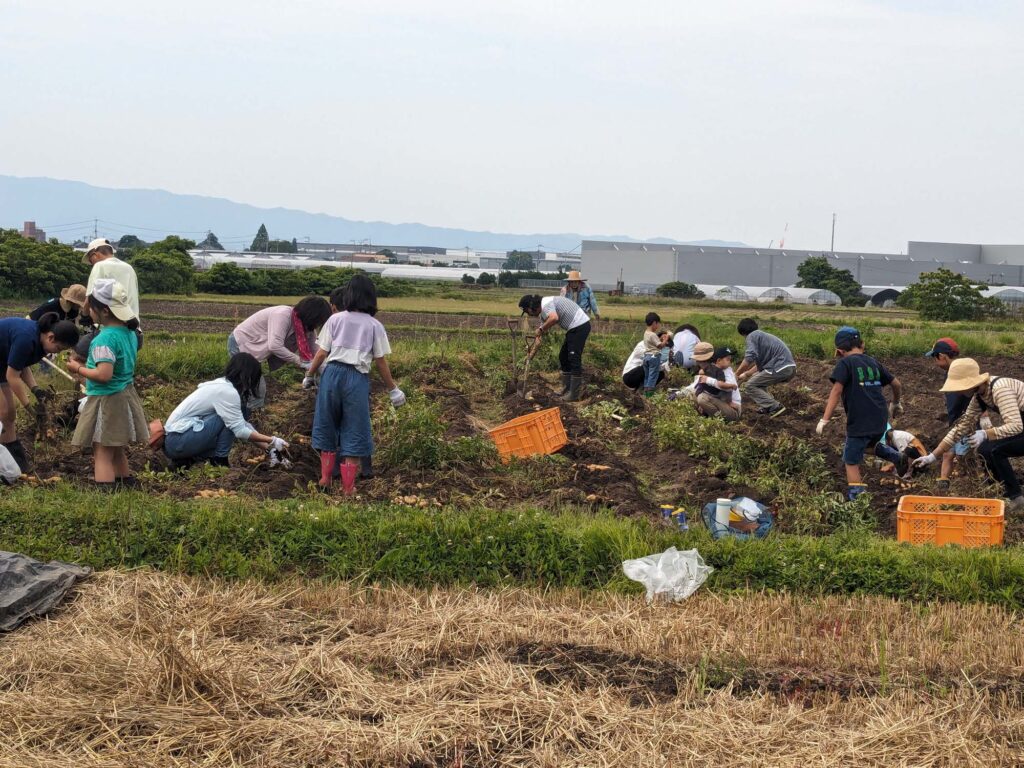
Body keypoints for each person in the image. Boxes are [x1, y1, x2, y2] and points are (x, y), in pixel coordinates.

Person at [305, 275, 406, 490]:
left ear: (348, 295)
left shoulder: (335, 319)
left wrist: (309, 375)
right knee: (355, 427)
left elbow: (322, 353)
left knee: (327, 422)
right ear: (372, 297)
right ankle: (348, 489)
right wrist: (393, 389)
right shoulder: (374, 326)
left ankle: (325, 479)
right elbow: (380, 361)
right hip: (356, 378)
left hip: (331, 374)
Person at [67, 279, 149, 491]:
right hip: (124, 394)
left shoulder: (104, 339)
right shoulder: (130, 333)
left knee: (101, 449)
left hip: (107, 399)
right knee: (116, 446)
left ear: (103, 311)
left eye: (91, 307)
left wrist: (77, 368)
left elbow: (103, 375)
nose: (88, 312)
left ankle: (105, 491)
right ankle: (125, 481)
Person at [913, 358, 1024, 511]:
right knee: (985, 449)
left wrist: (985, 433)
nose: (958, 392)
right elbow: (961, 427)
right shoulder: (979, 396)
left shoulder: (1000, 389)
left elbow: (1016, 426)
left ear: (971, 383)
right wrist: (933, 456)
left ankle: (1016, 498)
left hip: (1020, 426)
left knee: (993, 449)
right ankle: (1007, 492)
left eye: (959, 387)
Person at [816, 326, 903, 501]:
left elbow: (836, 391)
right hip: (880, 418)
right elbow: (897, 384)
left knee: (850, 459)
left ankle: (857, 499)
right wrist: (895, 403)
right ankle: (896, 457)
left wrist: (824, 419)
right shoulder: (873, 362)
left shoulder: (845, 364)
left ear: (840, 351)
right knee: (868, 445)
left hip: (860, 419)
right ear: (862, 344)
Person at [162, 353, 289, 470]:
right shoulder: (227, 392)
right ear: (246, 375)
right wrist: (271, 439)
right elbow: (239, 430)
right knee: (227, 421)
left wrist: (270, 449)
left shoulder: (223, 386)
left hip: (176, 441)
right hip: (177, 441)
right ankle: (219, 461)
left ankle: (186, 461)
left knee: (233, 420)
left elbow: (243, 424)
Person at [0, 314, 80, 472]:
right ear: (51, 337)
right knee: (3, 410)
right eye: (59, 348)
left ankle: (13, 458)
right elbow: (12, 376)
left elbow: (21, 364)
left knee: (9, 414)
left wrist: (35, 389)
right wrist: (29, 406)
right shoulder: (26, 338)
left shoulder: (41, 342)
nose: (58, 352)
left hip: (1, 362)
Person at [228, 295, 332, 408]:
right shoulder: (282, 315)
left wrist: (329, 372)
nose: (317, 325)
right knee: (256, 388)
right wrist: (302, 362)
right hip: (242, 344)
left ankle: (243, 413)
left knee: (248, 386)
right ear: (311, 316)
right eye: (318, 321)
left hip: (256, 351)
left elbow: (316, 353)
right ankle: (249, 418)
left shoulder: (306, 328)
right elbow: (274, 345)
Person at [925, 338, 984, 492]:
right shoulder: (952, 373)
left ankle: (975, 487)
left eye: (934, 357)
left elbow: (976, 398)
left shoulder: (957, 374)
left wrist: (982, 420)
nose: (934, 362)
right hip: (957, 422)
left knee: (966, 458)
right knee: (948, 454)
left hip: (965, 423)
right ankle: (942, 488)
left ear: (942, 356)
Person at [518, 293, 591, 402]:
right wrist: (530, 356)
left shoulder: (546, 304)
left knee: (573, 358)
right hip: (573, 328)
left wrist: (541, 329)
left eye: (527, 311)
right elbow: (538, 340)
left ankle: (574, 394)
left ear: (530, 307)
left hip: (580, 325)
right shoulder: (543, 313)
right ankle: (567, 388)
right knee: (563, 357)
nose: (529, 314)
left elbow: (554, 318)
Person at [734, 318, 796, 418]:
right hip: (788, 367)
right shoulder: (761, 337)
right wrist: (746, 374)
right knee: (758, 383)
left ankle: (775, 406)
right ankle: (767, 406)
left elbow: (749, 357)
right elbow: (760, 366)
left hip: (780, 367)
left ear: (743, 332)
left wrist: (736, 374)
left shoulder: (752, 336)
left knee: (750, 385)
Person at [692, 344, 741, 422]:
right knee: (695, 394)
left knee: (702, 398)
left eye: (730, 359)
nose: (730, 362)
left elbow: (729, 389)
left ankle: (718, 420)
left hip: (733, 410)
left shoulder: (726, 371)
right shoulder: (713, 370)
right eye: (728, 359)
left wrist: (709, 380)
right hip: (722, 403)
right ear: (718, 361)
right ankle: (711, 415)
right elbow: (697, 385)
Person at [640, 313, 671, 396]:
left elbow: (654, 342)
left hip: (646, 357)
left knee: (647, 377)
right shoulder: (653, 334)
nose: (658, 326)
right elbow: (660, 346)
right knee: (653, 377)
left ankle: (645, 394)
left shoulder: (646, 333)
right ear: (654, 323)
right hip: (654, 357)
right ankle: (649, 396)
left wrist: (661, 339)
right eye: (658, 324)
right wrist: (666, 339)